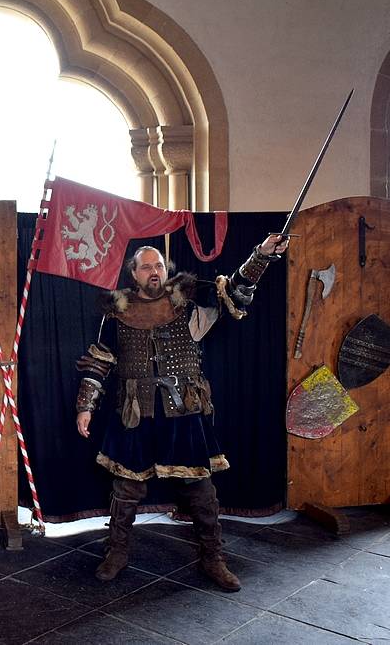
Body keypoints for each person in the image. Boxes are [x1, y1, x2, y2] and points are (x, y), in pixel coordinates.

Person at [74, 234, 289, 592]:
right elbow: (99, 362)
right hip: (135, 410)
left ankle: (213, 557)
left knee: (201, 489)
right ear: (134, 273)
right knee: (126, 488)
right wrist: (85, 407)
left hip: (184, 408)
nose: (154, 271)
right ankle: (117, 552)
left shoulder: (189, 304)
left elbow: (234, 290)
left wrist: (262, 253)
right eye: (146, 266)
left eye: (158, 265)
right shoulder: (117, 313)